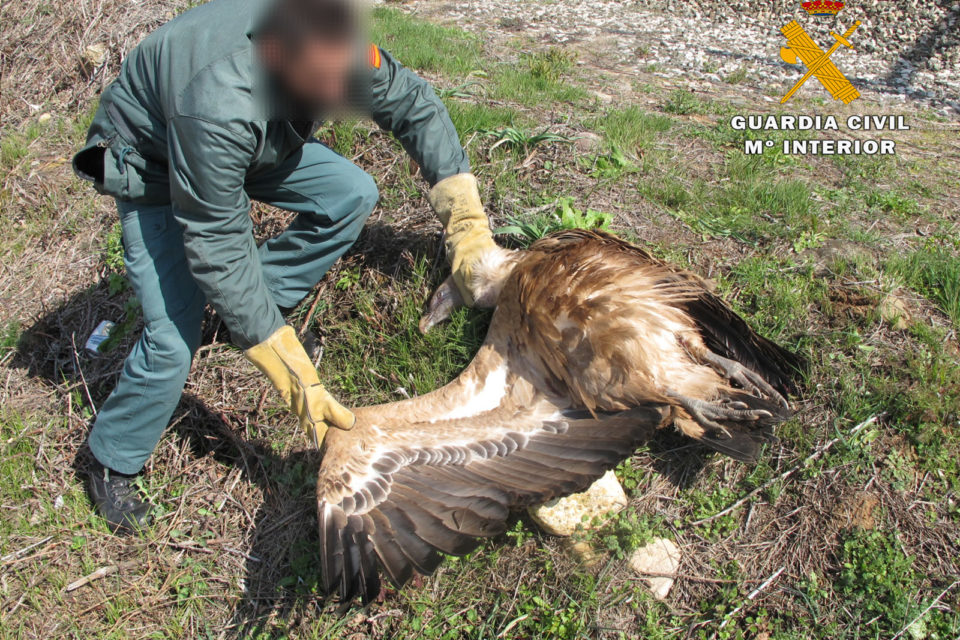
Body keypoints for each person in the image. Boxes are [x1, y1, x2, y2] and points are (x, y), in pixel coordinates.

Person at [72, 0, 497, 533]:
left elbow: (411, 102)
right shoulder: (219, 101)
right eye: (321, 85)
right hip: (153, 162)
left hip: (256, 139)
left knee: (351, 193)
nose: (337, 97)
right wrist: (290, 371)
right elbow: (218, 242)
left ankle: (244, 318)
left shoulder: (332, 49)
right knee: (173, 335)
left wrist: (465, 220)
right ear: (279, 60)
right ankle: (112, 457)